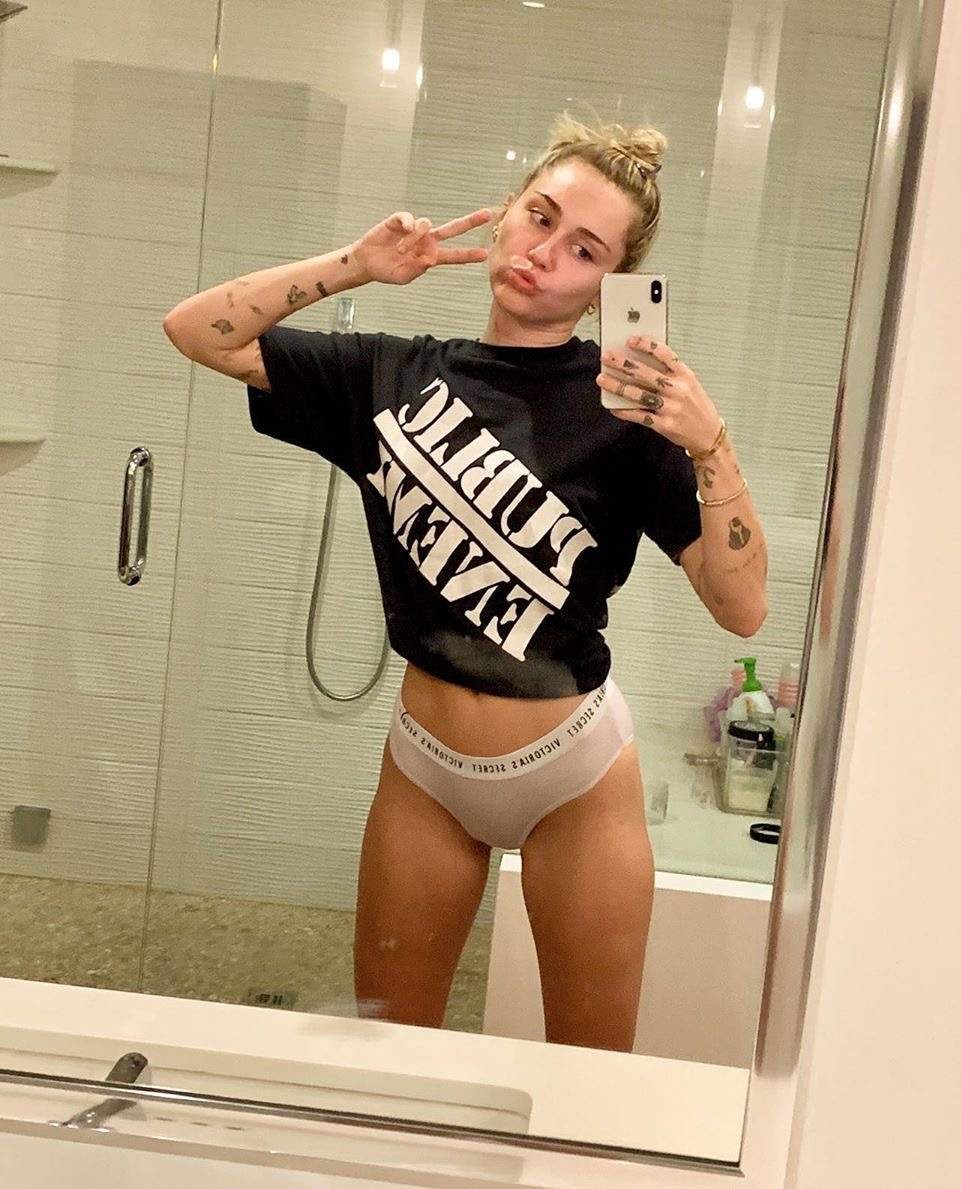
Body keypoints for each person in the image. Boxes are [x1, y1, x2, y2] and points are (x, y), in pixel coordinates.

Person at [163, 113, 768, 1053]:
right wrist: (357, 266)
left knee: (589, 1077)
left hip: (575, 772)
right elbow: (197, 329)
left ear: (608, 288)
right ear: (506, 213)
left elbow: (742, 608)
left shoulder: (627, 413)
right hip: (425, 770)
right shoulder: (390, 375)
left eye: (584, 249)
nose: (544, 253)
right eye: (540, 216)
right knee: (392, 1059)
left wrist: (709, 443)